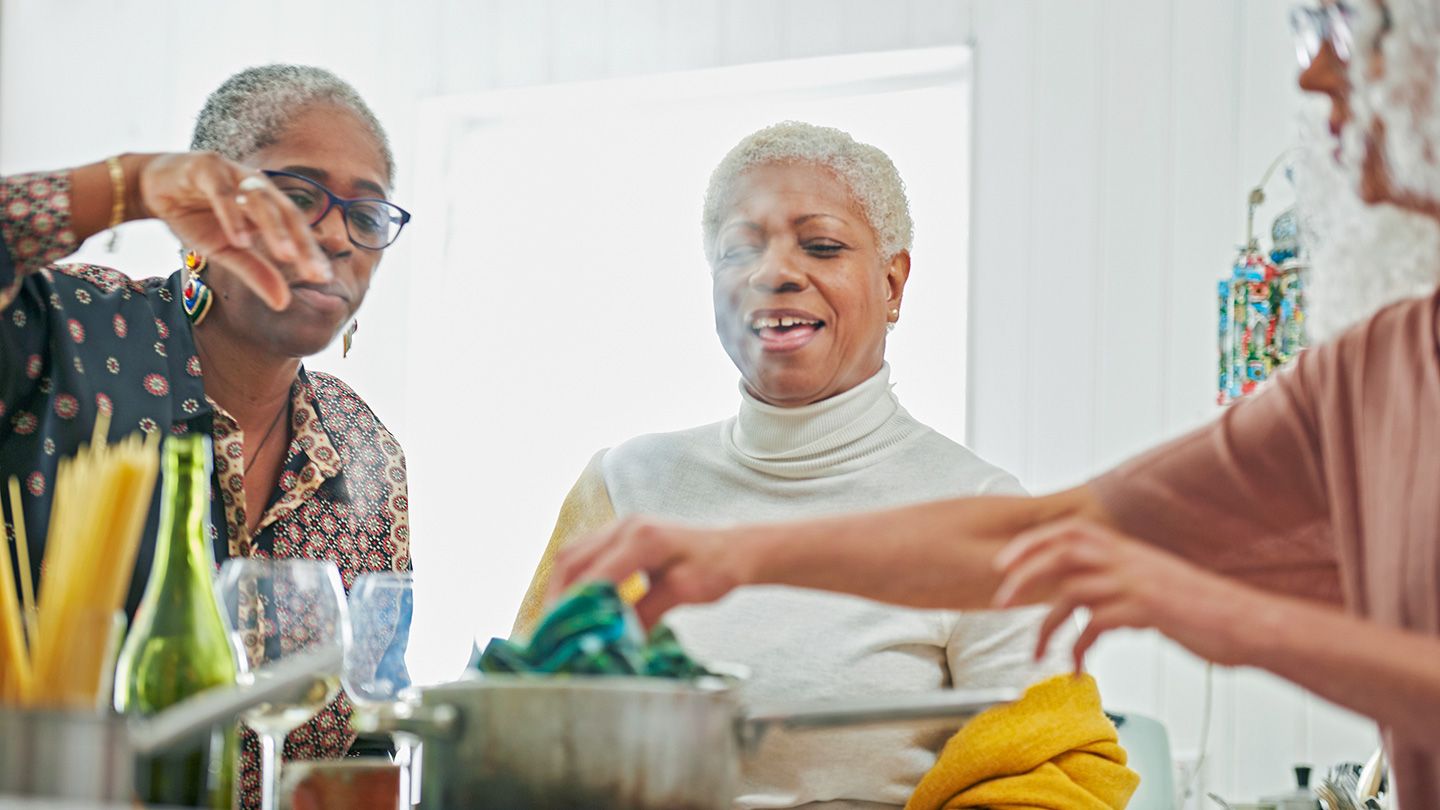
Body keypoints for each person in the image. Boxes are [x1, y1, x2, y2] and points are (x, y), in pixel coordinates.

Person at [551, 2, 1440, 807]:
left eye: (1353, 27)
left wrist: (1224, 617)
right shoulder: (1367, 369)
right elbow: (1050, 533)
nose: (1313, 71)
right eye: (1309, 28)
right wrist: (731, 555)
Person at [518, 121, 1133, 809]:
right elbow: (514, 740)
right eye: (739, 249)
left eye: (822, 245)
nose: (774, 273)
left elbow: (1054, 782)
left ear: (894, 282)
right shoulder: (622, 488)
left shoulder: (989, 521)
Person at [0, 64, 412, 808]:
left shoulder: (363, 450)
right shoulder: (70, 334)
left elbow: (366, 728)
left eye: (366, 214)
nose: (334, 235)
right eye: (295, 197)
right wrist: (128, 187)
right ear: (202, 208)